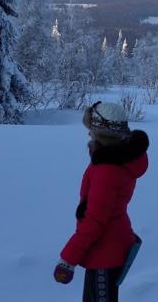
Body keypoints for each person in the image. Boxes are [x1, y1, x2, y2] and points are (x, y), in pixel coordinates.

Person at [54, 101, 149, 302]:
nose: (89, 134)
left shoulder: (107, 171)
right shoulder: (115, 160)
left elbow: (94, 222)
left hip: (105, 252)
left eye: (91, 130)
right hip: (108, 248)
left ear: (102, 135)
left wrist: (67, 260)